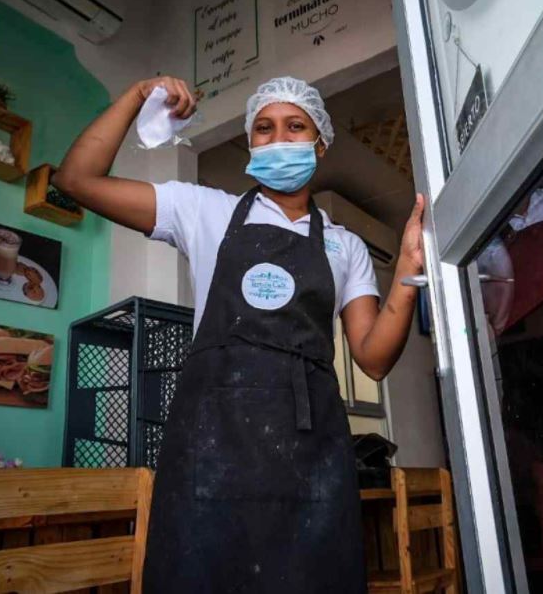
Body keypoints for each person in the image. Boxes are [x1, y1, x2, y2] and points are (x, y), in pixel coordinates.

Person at [54, 75, 425, 593]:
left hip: (309, 452)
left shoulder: (345, 246)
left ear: (319, 143)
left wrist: (407, 275)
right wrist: (137, 96)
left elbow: (374, 358)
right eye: (264, 129)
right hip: (212, 450)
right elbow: (77, 180)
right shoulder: (204, 211)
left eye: (295, 127)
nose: (279, 139)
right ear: (251, 144)